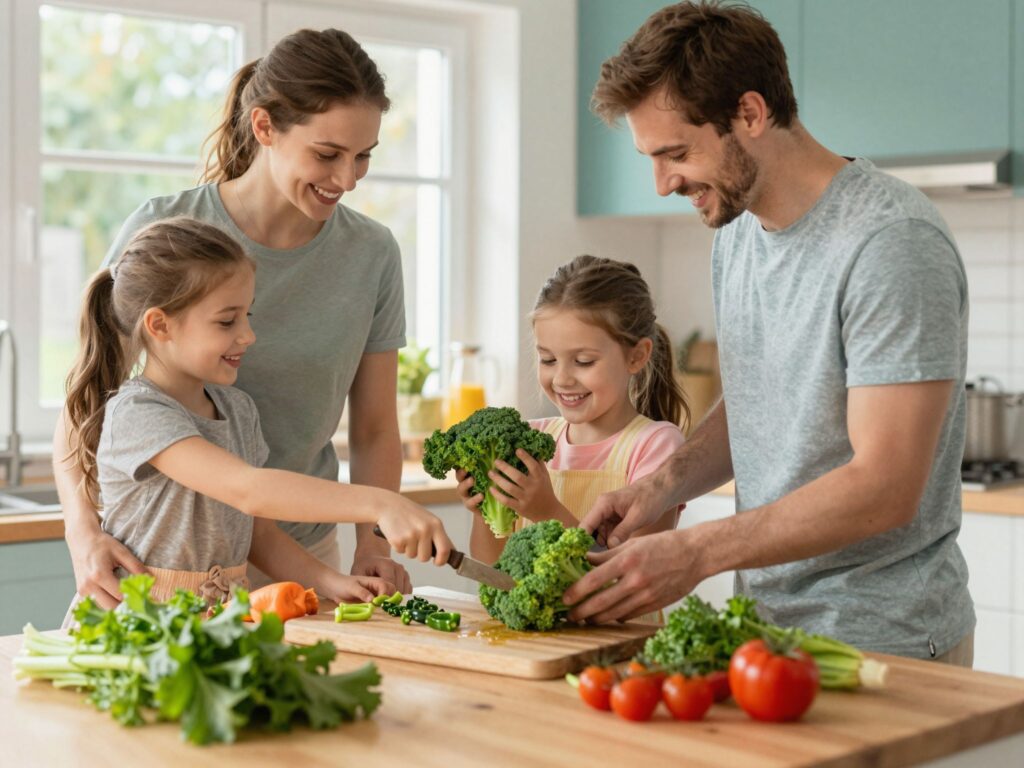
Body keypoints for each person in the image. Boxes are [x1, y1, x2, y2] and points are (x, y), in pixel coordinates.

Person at [564, 1, 974, 666]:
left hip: (882, 647)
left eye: (675, 153)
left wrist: (695, 551)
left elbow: (887, 485)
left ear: (750, 114)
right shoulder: (740, 231)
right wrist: (661, 487)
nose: (663, 183)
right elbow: (760, 403)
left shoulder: (891, 242)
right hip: (762, 632)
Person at [55, 28, 420, 607]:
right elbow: (89, 396)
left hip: (294, 549)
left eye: (363, 157)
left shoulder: (372, 253)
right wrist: (81, 533)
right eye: (327, 154)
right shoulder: (171, 231)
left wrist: (373, 544)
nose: (347, 180)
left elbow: (375, 426)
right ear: (265, 127)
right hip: (162, 565)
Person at [62, 217, 451, 613]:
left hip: (218, 621)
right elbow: (247, 490)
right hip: (135, 621)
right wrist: (380, 503)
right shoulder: (138, 413)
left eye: (247, 315)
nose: (248, 335)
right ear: (160, 325)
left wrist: (334, 583)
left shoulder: (237, 410)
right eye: (227, 320)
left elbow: (260, 535)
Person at [458, 255, 687, 576]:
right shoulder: (531, 439)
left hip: (626, 628)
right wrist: (485, 510)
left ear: (637, 356)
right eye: (548, 360)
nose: (562, 378)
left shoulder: (655, 446)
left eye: (583, 361)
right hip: (535, 628)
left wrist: (546, 511)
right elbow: (492, 571)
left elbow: (633, 576)